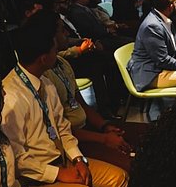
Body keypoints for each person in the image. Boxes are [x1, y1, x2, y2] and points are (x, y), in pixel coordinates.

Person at [1, 10, 128, 187]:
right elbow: (15, 161)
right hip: (36, 179)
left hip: (63, 161)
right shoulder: (10, 97)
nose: (58, 50)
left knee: (120, 179)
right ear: (43, 57)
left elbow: (62, 130)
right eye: (54, 47)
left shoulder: (46, 83)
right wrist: (59, 174)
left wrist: (78, 159)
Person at [46, 11, 147, 171]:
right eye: (61, 30)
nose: (66, 33)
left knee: (145, 134)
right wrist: (103, 138)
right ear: (50, 38)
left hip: (87, 129)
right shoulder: (44, 77)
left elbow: (80, 103)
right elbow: (60, 131)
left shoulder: (62, 63)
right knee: (131, 164)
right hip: (73, 141)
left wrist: (104, 125)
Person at [127, 0, 176, 93]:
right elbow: (162, 60)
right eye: (175, 2)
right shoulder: (152, 26)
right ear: (171, 6)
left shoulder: (165, 20)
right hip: (151, 73)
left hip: (162, 67)